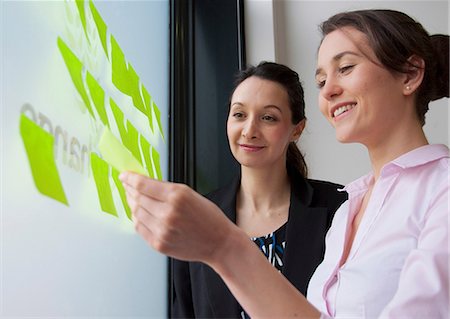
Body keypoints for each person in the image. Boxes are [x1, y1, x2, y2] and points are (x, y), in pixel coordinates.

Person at [120, 9, 449, 318]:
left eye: (345, 68)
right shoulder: (352, 207)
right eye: (321, 81)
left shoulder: (439, 189)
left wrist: (225, 246)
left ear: (410, 73)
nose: (329, 90)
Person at [171, 62, 347, 318]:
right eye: (239, 115)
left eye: (268, 118)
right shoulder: (197, 219)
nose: (249, 131)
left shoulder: (340, 207)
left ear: (297, 129)